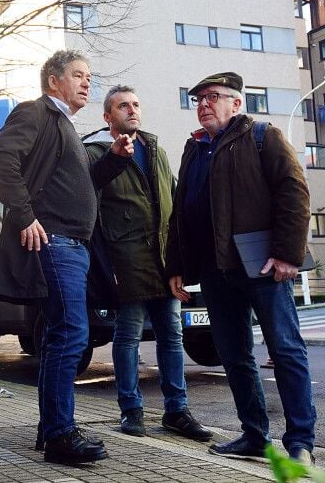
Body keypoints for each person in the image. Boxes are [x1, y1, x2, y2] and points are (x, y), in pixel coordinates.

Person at [165, 72, 317, 465]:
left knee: (285, 350)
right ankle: (254, 436)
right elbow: (181, 212)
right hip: (216, 272)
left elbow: (294, 193)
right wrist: (177, 265)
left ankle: (300, 444)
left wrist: (288, 254)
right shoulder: (194, 149)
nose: (203, 105)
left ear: (236, 103)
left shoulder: (262, 137)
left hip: (262, 265)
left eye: (212, 97)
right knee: (234, 356)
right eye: (197, 99)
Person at [0, 49, 116, 465]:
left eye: (89, 76)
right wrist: (24, 216)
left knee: (60, 336)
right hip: (56, 242)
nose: (87, 82)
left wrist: (113, 161)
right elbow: (0, 159)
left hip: (74, 245)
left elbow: (77, 185)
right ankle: (61, 434)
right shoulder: (37, 113)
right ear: (53, 81)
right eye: (78, 75)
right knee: (70, 336)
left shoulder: (66, 127)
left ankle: (51, 431)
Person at [83, 85, 212, 442]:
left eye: (136, 104)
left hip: (164, 261)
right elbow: (91, 214)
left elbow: (174, 206)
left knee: (172, 337)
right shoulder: (96, 154)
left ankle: (177, 412)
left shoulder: (155, 149)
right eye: (123, 106)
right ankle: (132, 411)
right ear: (108, 117)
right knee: (127, 338)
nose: (132, 110)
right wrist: (106, 269)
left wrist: (181, 261)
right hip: (125, 263)